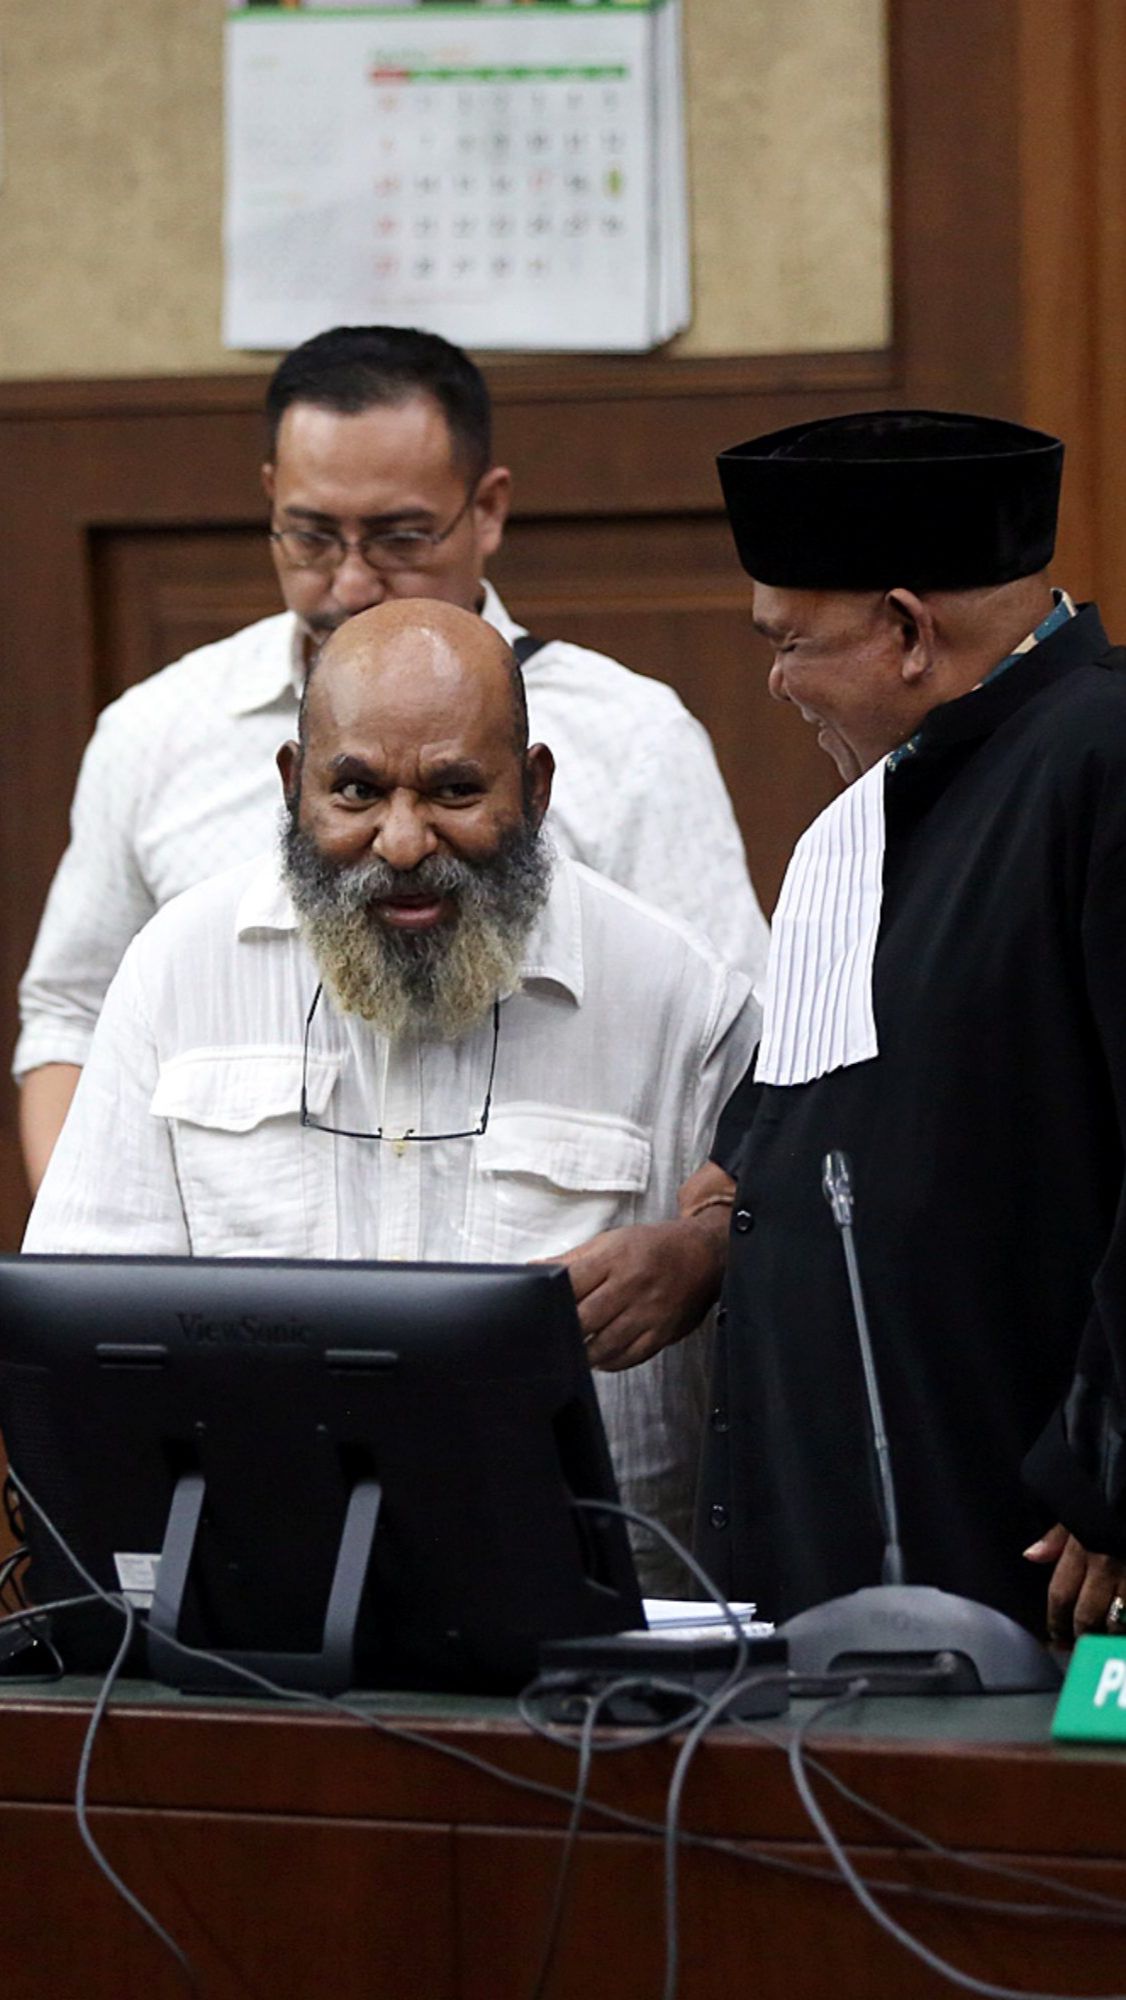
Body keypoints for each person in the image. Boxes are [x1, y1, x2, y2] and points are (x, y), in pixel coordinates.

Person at [24, 599, 759, 1595]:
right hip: (249, 1629)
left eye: (455, 789)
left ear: (535, 789)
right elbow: (78, 1342)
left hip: (595, 1651)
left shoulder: (679, 997)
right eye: (356, 790)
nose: (404, 840)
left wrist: (709, 1254)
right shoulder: (177, 973)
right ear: (294, 788)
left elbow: (787, 1314)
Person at [15, 324, 768, 1191]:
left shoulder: (635, 737)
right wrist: (98, 1261)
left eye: (400, 538)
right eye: (309, 537)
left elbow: (734, 1046)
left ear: (486, 510)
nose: (350, 583)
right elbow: (71, 1016)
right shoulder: (157, 731)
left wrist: (691, 1252)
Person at [682, 408, 1126, 1644]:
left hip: (1032, 1544)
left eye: (789, 642)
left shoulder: (1102, 758)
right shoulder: (882, 806)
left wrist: (1112, 1481)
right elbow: (805, 1130)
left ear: (906, 629)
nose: (773, 680)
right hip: (848, 1543)